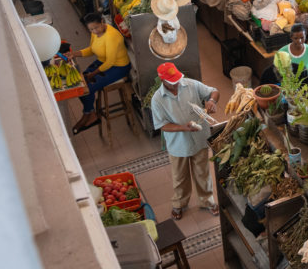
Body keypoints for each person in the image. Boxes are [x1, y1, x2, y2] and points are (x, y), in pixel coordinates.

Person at [149, 62, 220, 220]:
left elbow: (214, 91)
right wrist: (183, 128)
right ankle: (179, 204)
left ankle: (207, 201)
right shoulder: (158, 99)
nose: (175, 83)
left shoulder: (190, 85)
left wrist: (212, 101)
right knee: (180, 177)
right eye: (171, 81)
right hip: (178, 145)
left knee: (203, 172)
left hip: (200, 139)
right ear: (163, 81)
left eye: (176, 79)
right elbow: (162, 125)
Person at [67, 13, 132, 134]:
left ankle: (88, 115)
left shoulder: (112, 36)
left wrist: (92, 75)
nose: (94, 31)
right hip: (103, 63)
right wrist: (74, 54)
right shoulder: (95, 33)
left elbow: (110, 62)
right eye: (91, 29)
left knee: (88, 86)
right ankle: (90, 113)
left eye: (96, 28)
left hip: (118, 66)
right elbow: (92, 49)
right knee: (80, 83)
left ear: (102, 22)